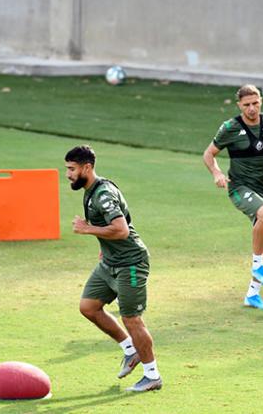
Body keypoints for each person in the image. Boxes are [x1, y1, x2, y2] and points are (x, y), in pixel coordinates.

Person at [64, 145, 162, 393]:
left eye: (72, 169)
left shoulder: (102, 194)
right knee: (88, 307)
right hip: (109, 263)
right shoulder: (91, 190)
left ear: (87, 167)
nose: (68, 174)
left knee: (132, 319)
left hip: (130, 264)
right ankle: (131, 351)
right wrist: (102, 244)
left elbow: (121, 230)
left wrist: (88, 229)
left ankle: (152, 376)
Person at [203, 84, 263, 309]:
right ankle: (257, 265)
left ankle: (252, 295)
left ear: (261, 101)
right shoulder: (230, 127)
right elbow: (209, 154)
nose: (252, 108)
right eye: (247, 105)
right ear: (239, 105)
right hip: (239, 188)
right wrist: (216, 173)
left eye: (255, 103)